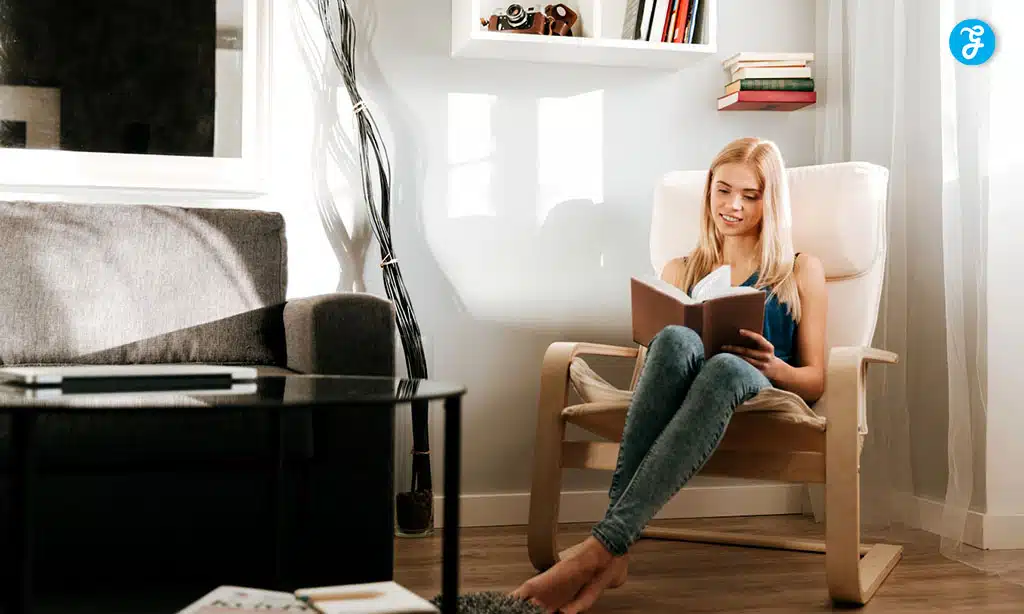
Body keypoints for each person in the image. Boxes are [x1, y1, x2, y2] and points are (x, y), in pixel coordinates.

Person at [510, 137, 829, 613]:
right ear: (708, 192)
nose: (733, 206)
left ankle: (605, 547)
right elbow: (659, 365)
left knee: (724, 366)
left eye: (750, 195)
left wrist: (774, 365)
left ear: (771, 200)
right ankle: (613, 553)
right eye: (723, 190)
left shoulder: (799, 270)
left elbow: (817, 379)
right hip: (687, 390)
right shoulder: (680, 267)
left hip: (757, 389)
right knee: (679, 341)